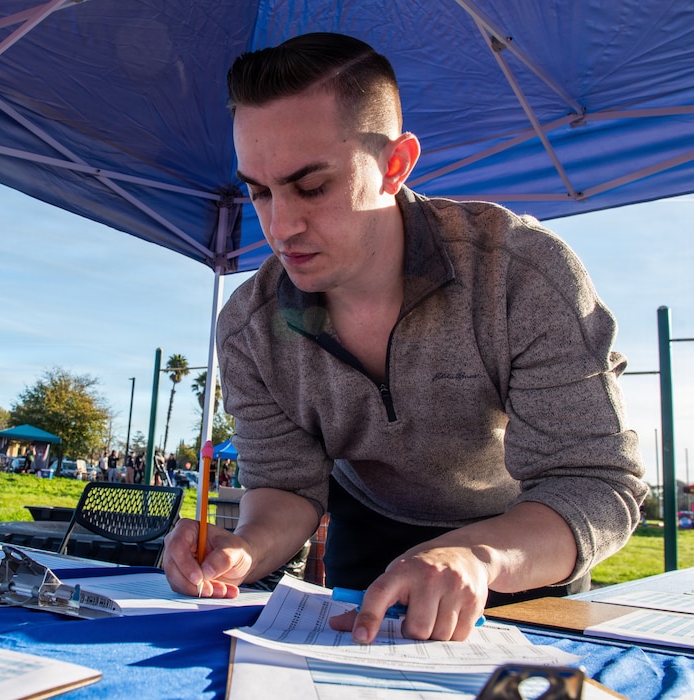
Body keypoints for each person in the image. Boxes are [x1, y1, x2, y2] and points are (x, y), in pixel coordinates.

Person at [162, 32, 646, 645]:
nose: (280, 228)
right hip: (368, 536)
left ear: (396, 164)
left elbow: (596, 483)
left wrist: (478, 556)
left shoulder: (520, 275)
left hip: (527, 540)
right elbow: (284, 486)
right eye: (260, 190)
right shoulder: (249, 326)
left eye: (311, 186)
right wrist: (243, 549)